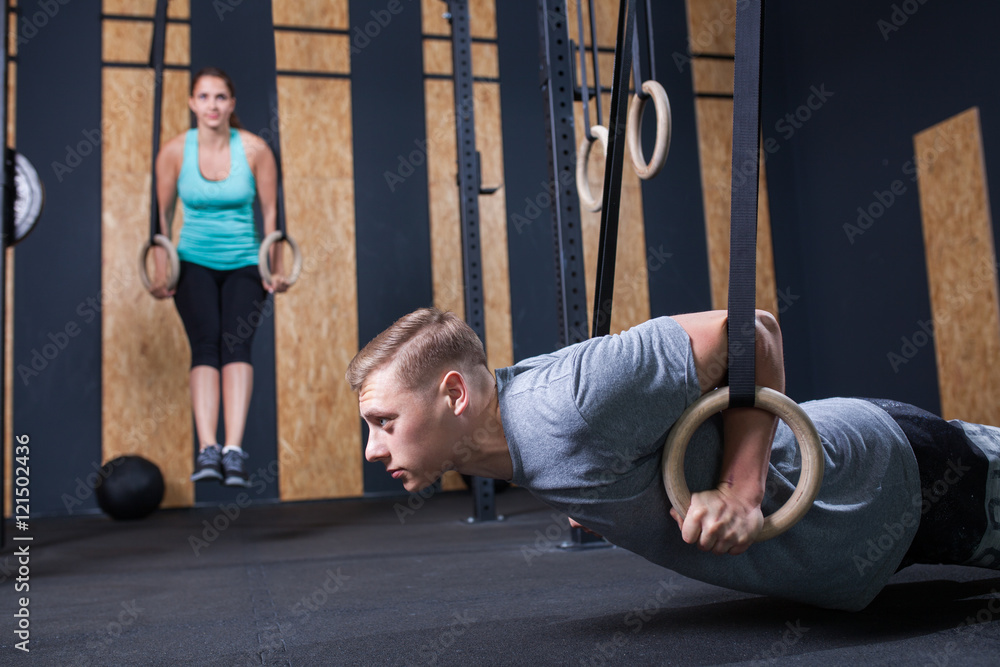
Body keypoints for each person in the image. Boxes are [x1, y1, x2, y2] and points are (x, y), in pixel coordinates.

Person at [346, 307, 1000, 611]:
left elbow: (753, 330)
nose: (375, 448)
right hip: (868, 526)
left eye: (384, 423)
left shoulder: (571, 405)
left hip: (887, 480)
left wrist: (740, 492)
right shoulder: (516, 431)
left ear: (454, 394)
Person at [150, 67, 289, 487]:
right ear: (192, 103)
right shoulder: (174, 152)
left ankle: (233, 450)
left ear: (232, 104)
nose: (212, 105)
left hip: (246, 261)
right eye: (204, 97)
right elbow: (159, 217)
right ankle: (208, 447)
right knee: (206, 345)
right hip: (192, 262)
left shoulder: (255, 150)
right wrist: (161, 267)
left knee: (236, 344)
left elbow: (271, 214)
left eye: (220, 97)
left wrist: (275, 265)